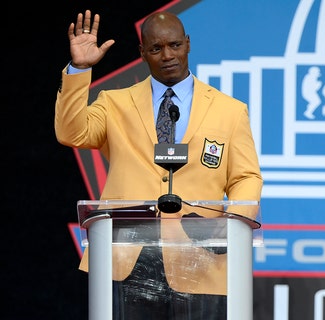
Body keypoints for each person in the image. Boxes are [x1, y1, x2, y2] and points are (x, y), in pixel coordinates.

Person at [55, 9, 263, 319]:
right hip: (127, 260)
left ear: (188, 44)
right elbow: (71, 132)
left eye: (175, 45)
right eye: (156, 48)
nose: (167, 55)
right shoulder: (114, 103)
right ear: (142, 53)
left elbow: (246, 177)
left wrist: (229, 227)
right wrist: (79, 69)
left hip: (200, 259)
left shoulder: (229, 111)